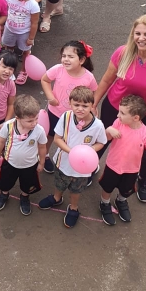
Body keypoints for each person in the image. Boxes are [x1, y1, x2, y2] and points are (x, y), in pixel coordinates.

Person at [93, 14, 146, 203]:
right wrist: (94, 102)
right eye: (137, 33)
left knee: (145, 149)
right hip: (115, 107)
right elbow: (107, 79)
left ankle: (143, 179)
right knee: (103, 138)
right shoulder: (122, 53)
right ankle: (89, 166)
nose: (141, 38)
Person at [38, 86, 107, 228]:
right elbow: (57, 139)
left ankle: (74, 207)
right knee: (59, 183)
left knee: (76, 190)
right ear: (70, 104)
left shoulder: (98, 125)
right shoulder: (66, 117)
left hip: (82, 168)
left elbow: (101, 143)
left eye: (85, 105)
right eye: (76, 105)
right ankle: (57, 198)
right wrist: (72, 151)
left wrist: (88, 151)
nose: (80, 109)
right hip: (62, 162)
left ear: (92, 106)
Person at [98, 95, 146, 226]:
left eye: (122, 113)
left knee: (126, 189)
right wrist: (109, 130)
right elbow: (106, 138)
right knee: (107, 187)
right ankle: (104, 203)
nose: (117, 115)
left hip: (132, 169)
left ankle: (121, 201)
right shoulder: (118, 124)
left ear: (135, 118)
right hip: (113, 165)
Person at [41, 40, 97, 173]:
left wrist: (92, 109)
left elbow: (94, 92)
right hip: (55, 112)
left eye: (70, 56)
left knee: (70, 138)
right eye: (64, 56)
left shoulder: (88, 77)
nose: (65, 59)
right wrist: (50, 96)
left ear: (82, 60)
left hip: (74, 116)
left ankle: (70, 159)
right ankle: (44, 156)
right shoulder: (58, 69)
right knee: (50, 135)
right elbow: (45, 79)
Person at [0, 95, 47, 216]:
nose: (34, 123)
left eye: (36, 119)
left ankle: (25, 196)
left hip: (30, 165)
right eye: (30, 121)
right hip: (9, 162)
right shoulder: (8, 126)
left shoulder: (39, 130)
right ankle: (4, 194)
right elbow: (1, 140)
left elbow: (42, 147)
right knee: (5, 181)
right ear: (18, 118)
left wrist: (42, 162)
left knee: (27, 184)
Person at [2, 0, 40, 85]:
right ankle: (9, 68)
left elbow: (34, 23)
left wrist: (31, 38)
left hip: (24, 33)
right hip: (9, 29)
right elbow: (4, 10)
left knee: (25, 52)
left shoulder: (33, 5)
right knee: (9, 49)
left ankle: (24, 71)